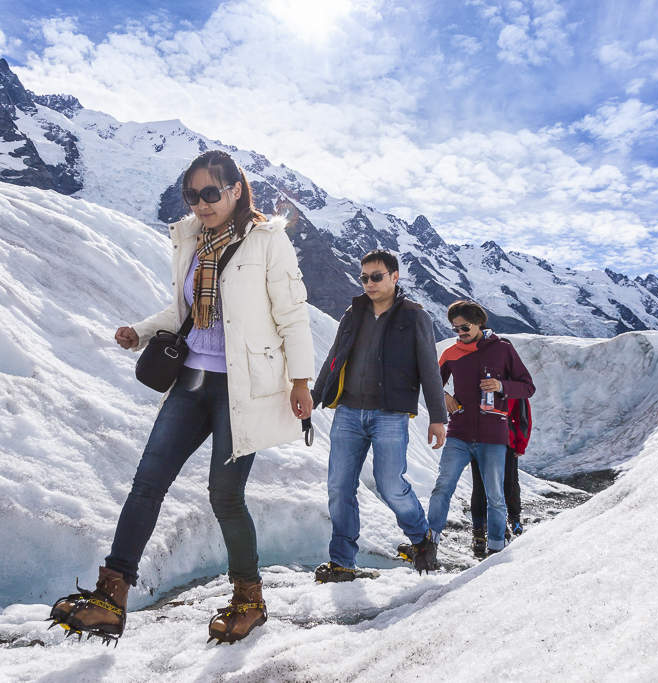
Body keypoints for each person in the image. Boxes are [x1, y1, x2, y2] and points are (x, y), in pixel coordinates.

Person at [48, 150, 315, 645]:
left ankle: (249, 601)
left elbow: (292, 315)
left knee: (225, 495)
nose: (200, 204)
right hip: (191, 381)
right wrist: (143, 331)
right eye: (192, 195)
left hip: (243, 388)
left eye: (210, 193)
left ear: (236, 189)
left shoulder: (268, 240)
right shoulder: (191, 239)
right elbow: (184, 311)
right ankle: (111, 596)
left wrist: (300, 381)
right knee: (147, 481)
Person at [311, 250, 448, 581]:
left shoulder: (415, 316)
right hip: (347, 412)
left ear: (394, 277)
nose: (369, 283)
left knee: (391, 485)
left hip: (390, 415)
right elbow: (334, 358)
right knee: (339, 487)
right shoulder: (353, 313)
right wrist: (315, 396)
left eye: (376, 277)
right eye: (364, 277)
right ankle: (343, 563)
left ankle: (421, 538)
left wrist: (437, 417)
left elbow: (429, 368)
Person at [428, 300, 534, 559]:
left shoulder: (503, 349)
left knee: (495, 495)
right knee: (443, 485)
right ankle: (430, 541)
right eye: (455, 329)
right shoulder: (451, 354)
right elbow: (431, 384)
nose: (460, 334)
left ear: (479, 323)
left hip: (493, 435)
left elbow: (527, 387)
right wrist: (444, 396)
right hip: (459, 432)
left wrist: (501, 386)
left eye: (464, 328)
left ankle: (496, 548)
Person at [468, 397, 532, 556]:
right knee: (482, 485)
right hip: (480, 438)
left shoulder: (514, 379)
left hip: (504, 440)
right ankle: (480, 531)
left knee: (507, 483)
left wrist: (521, 443)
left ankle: (508, 522)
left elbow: (523, 415)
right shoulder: (478, 376)